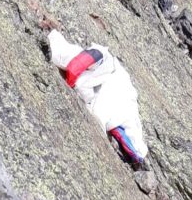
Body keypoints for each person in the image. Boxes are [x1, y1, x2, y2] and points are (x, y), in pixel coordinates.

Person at [48, 29, 148, 167]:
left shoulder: (103, 60)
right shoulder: (86, 56)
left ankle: (135, 150)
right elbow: (74, 66)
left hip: (114, 87)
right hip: (111, 89)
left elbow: (77, 66)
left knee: (118, 117)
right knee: (120, 119)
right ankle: (135, 150)